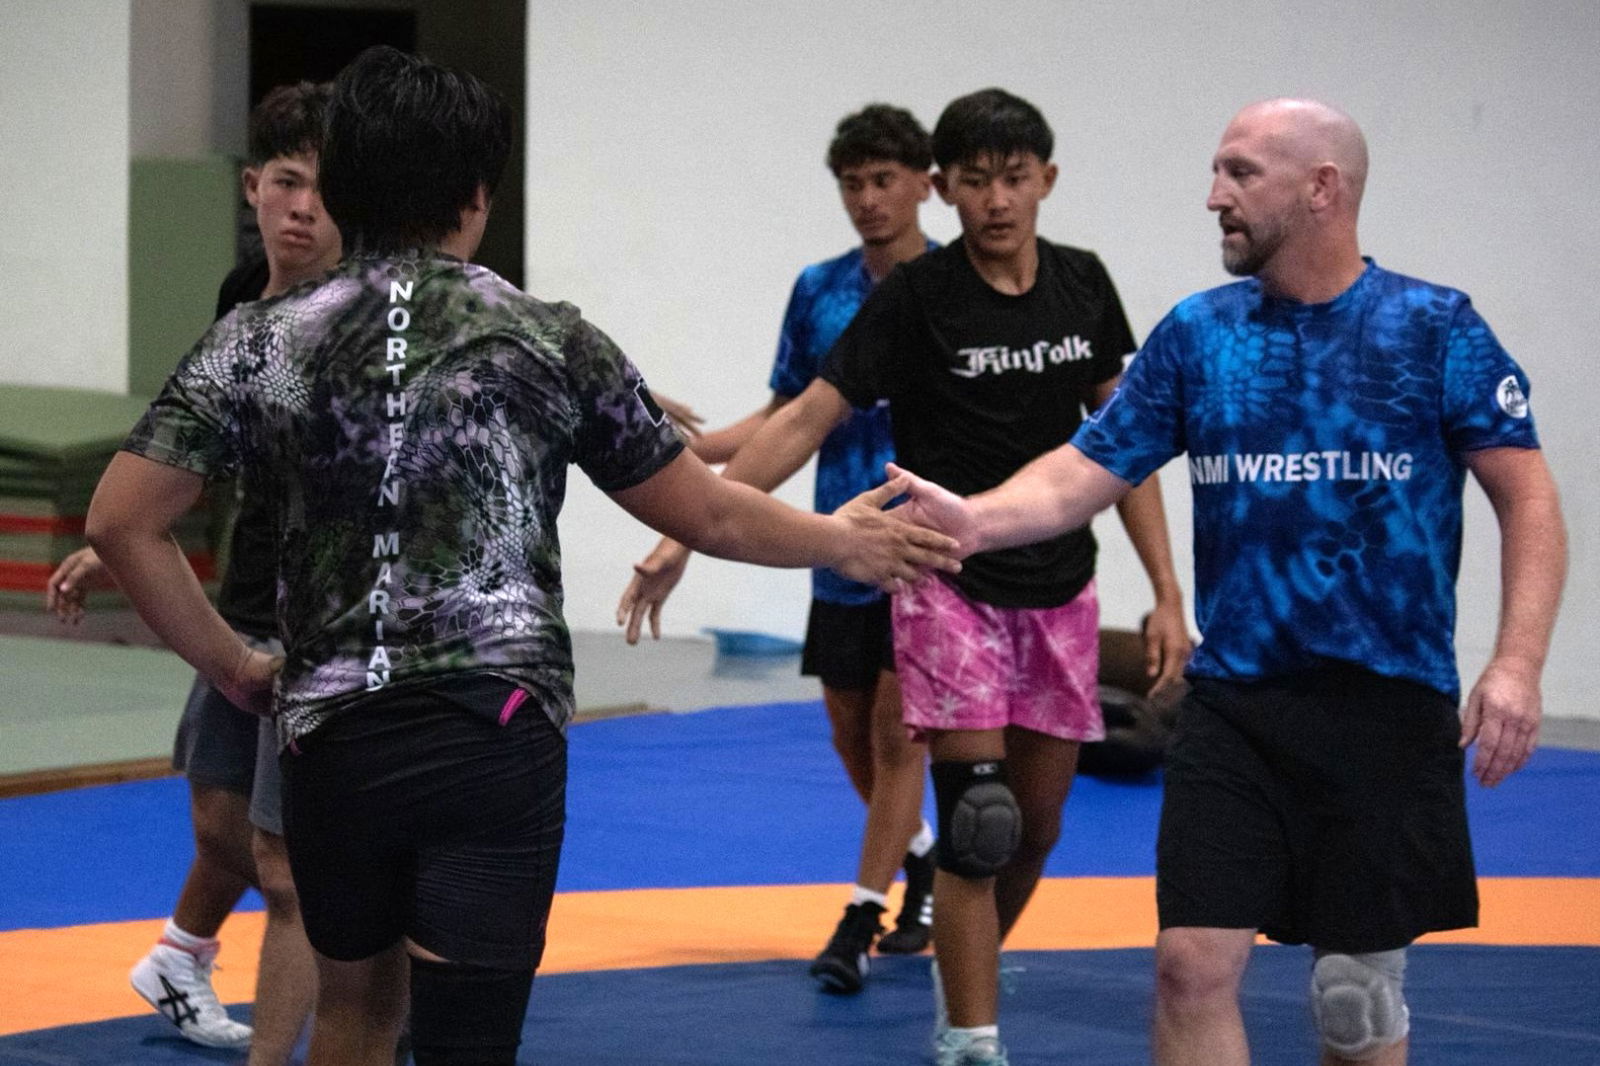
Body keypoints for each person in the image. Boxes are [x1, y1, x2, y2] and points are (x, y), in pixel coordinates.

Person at [82, 45, 959, 1066]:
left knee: (356, 1015)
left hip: (335, 735)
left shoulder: (261, 338)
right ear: (477, 199)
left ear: (344, 184)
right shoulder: (544, 337)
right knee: (469, 1037)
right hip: (489, 732)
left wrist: (234, 668)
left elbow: (120, 521)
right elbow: (709, 514)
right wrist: (841, 540)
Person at [888, 98, 1567, 1066]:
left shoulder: (1434, 328)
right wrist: (979, 516)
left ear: (1321, 188)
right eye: (1218, 172)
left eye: (1241, 173)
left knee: (1352, 995)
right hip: (1235, 706)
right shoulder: (1199, 336)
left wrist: (1517, 660)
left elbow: (1529, 499)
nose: (1214, 197)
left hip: (1383, 706)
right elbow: (1086, 466)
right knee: (1188, 965)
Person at [629, 87, 1190, 1066]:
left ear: (1045, 182)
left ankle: (961, 963)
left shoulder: (1084, 285)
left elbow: (1125, 441)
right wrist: (685, 532)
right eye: (975, 181)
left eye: (1014, 179)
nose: (996, 200)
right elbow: (801, 418)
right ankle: (970, 1035)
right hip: (941, 581)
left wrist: (1168, 591)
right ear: (950, 188)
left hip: (1059, 589)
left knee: (1037, 825)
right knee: (978, 820)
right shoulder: (915, 299)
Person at [617, 103, 941, 991]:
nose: (869, 199)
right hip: (834, 542)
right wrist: (684, 462)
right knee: (850, 739)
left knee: (895, 734)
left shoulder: (953, 286)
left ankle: (861, 912)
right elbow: (791, 413)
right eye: (853, 183)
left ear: (924, 184)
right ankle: (922, 861)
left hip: (926, 549)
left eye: (885, 181)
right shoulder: (820, 288)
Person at [46, 82, 338, 1061]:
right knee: (222, 826)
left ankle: (369, 997)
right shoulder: (236, 297)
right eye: (288, 183)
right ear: (254, 187)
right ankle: (182, 952)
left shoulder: (369, 318)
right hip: (240, 607)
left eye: (325, 190)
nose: (303, 208)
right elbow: (207, 442)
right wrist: (116, 539)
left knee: (286, 857)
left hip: (330, 619)